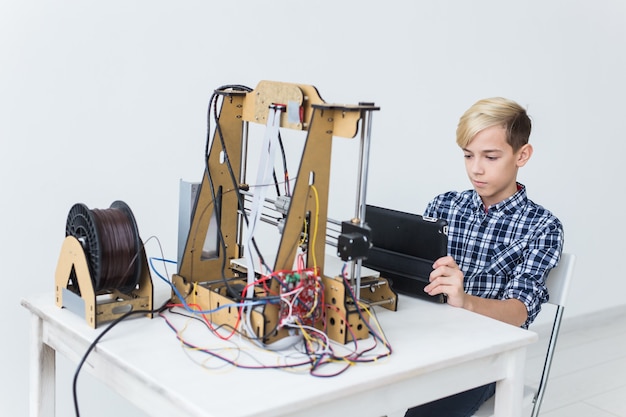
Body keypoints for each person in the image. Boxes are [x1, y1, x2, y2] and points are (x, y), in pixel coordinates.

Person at [404, 97, 564, 417]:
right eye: (468, 155)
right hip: (427, 342)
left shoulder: (542, 227)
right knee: (363, 392)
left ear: (522, 155)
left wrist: (465, 300)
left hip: (486, 360)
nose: (476, 168)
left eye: (490, 156)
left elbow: (520, 312)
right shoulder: (444, 206)